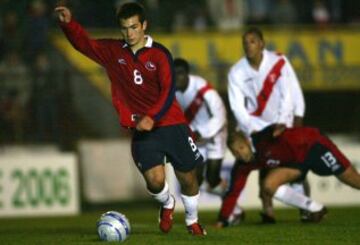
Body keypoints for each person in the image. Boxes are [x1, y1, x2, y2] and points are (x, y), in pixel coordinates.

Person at [55, 3, 206, 236]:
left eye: (134, 27)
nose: (130, 33)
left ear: (144, 25)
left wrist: (152, 116)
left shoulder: (160, 53)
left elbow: (168, 90)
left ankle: (192, 220)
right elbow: (84, 44)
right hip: (142, 128)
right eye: (125, 28)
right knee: (155, 182)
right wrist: (68, 24)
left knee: (188, 178)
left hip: (171, 123)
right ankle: (167, 203)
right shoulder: (114, 52)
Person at [227, 26, 309, 223]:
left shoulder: (279, 62)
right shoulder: (236, 72)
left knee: (295, 168)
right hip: (257, 127)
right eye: (245, 43)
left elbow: (291, 91)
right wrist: (251, 128)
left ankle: (306, 208)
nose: (248, 46)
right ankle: (268, 210)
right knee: (263, 165)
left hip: (284, 123)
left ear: (262, 44)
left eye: (253, 41)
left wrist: (296, 115)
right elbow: (237, 107)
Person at [217, 125, 360, 227]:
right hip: (296, 164)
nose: (240, 154)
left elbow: (274, 129)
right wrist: (222, 220)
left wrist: (277, 129)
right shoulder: (242, 165)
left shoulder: (261, 140)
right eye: (235, 152)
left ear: (248, 143)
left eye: (241, 148)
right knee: (268, 185)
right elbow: (233, 192)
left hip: (314, 145)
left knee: (352, 180)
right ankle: (316, 208)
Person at [174, 58, 228, 196]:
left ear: (187, 73)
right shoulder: (171, 92)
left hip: (215, 133)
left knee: (212, 178)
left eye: (180, 73)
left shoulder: (202, 87)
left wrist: (202, 131)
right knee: (194, 179)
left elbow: (220, 114)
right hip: (195, 137)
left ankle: (231, 203)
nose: (177, 77)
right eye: (173, 74)